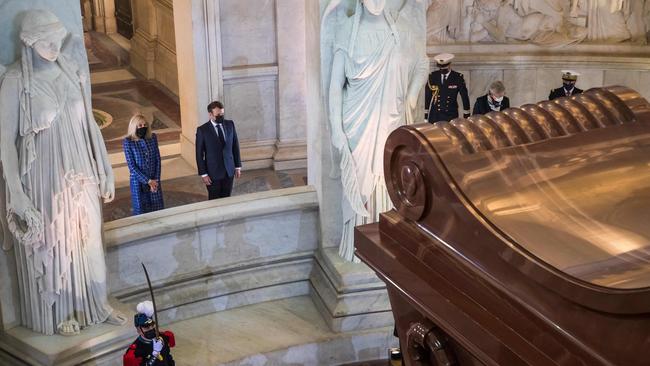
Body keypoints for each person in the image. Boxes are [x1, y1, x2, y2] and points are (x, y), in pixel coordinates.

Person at [0, 9, 124, 335]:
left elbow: (90, 127)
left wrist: (106, 168)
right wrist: (16, 193)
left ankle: (96, 303)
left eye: (57, 38)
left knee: (91, 237)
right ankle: (62, 311)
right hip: (43, 175)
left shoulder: (70, 70)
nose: (54, 45)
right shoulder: (16, 81)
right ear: (29, 41)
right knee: (57, 242)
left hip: (81, 166)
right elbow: (5, 144)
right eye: (46, 40)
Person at [323, 0, 429, 261]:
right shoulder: (347, 30)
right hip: (357, 124)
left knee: (389, 176)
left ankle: (389, 244)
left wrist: (413, 95)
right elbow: (335, 86)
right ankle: (357, 247)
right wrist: (336, 128)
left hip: (392, 120)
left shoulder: (400, 30)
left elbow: (422, 63)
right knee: (358, 185)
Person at [195, 101, 241, 199]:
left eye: (222, 114)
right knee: (214, 199)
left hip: (229, 171)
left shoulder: (230, 124)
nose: (221, 117)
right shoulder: (202, 130)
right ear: (210, 115)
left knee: (227, 198)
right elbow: (199, 154)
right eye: (218, 115)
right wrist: (203, 174)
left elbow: (235, 146)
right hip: (212, 173)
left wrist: (238, 166)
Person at [123, 114, 164, 215]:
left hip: (154, 181)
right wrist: (148, 181)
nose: (143, 127)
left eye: (145, 125)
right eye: (140, 125)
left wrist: (155, 180)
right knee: (141, 212)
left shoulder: (152, 137)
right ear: (134, 127)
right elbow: (132, 167)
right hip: (138, 182)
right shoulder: (128, 142)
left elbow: (157, 160)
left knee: (157, 209)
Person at [123, 301, 175, 366]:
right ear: (139, 330)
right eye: (146, 327)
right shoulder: (135, 352)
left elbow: (168, 357)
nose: (151, 328)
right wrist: (155, 353)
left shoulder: (163, 337)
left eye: (152, 325)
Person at [426, 53, 470, 123]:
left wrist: (466, 114)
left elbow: (464, 96)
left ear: (449, 64)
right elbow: (427, 96)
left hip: (450, 114)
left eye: (444, 67)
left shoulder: (457, 77)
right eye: (440, 67)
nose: (442, 69)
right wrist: (426, 115)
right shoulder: (433, 76)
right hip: (435, 115)